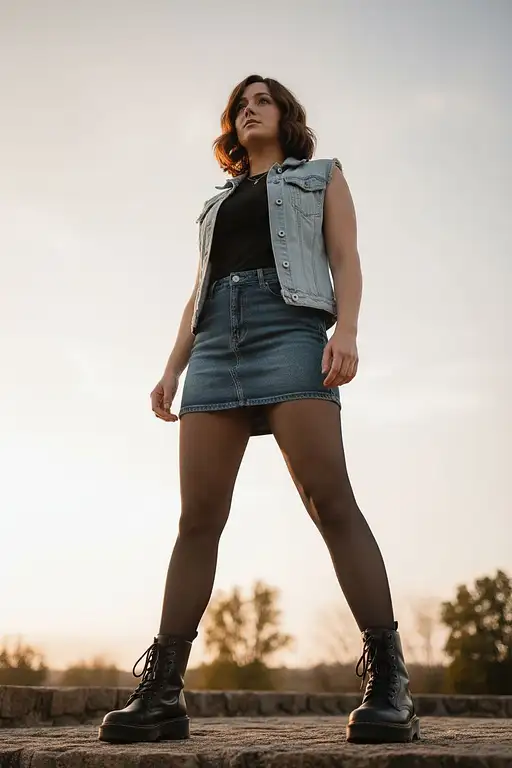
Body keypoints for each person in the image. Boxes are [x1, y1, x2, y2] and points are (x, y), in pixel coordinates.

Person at [98, 74, 419, 746]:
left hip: (291, 330)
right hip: (216, 345)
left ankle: (389, 681)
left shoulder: (321, 175)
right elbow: (197, 292)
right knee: (197, 520)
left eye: (261, 101)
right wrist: (171, 367)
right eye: (239, 106)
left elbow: (344, 255)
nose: (248, 110)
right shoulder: (215, 206)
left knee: (330, 501)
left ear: (286, 116)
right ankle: (162, 693)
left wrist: (348, 331)